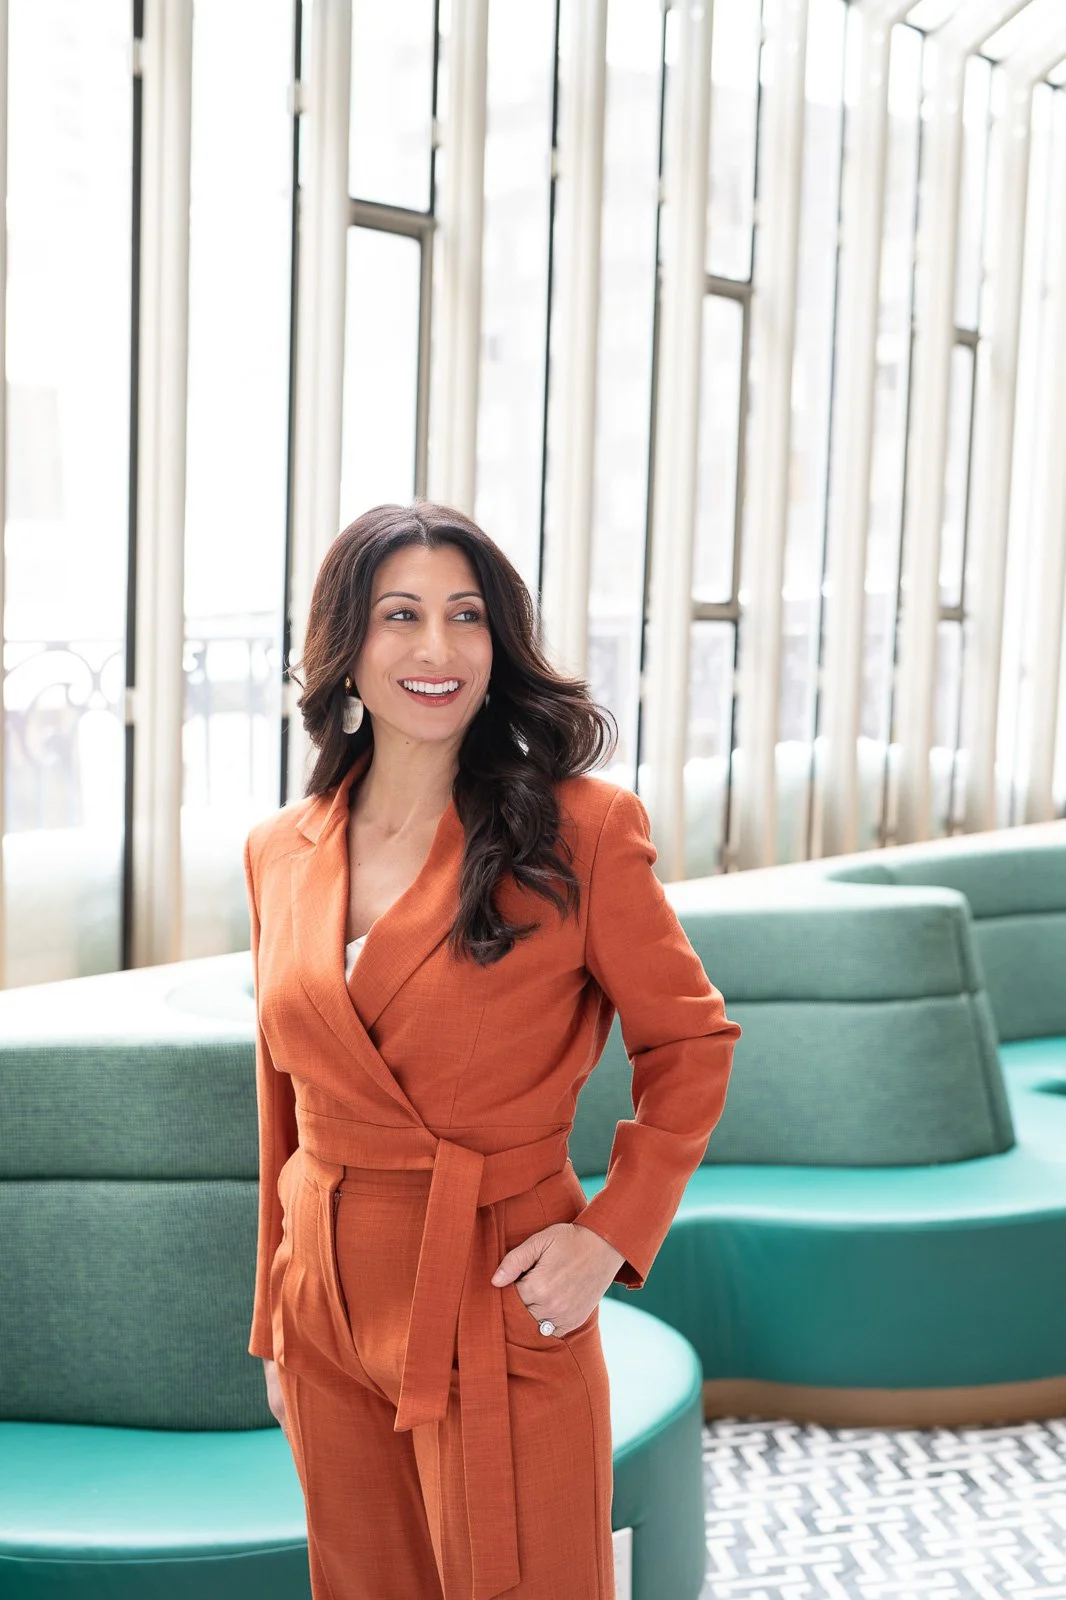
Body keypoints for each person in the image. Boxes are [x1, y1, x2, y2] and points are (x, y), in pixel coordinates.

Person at [243, 500, 741, 1600]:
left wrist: (608, 1236)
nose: (437, 649)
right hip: (323, 1295)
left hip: (494, 1276)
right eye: (400, 616)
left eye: (466, 617)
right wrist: (274, 1318)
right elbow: (283, 1098)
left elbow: (691, 1043)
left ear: (498, 642)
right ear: (345, 651)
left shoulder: (582, 829)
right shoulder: (281, 848)